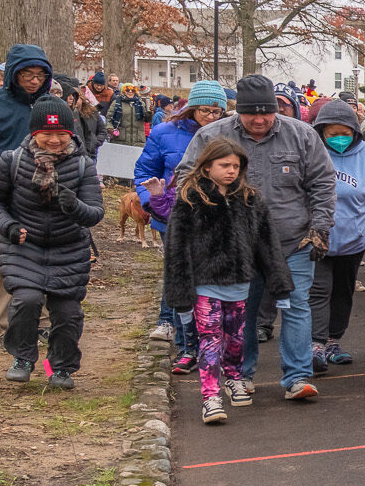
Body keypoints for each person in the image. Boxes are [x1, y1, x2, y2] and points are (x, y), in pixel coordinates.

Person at [176, 74, 336, 402]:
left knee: (296, 305)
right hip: (238, 246)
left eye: (267, 112)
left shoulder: (301, 135)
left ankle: (297, 377)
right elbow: (185, 179)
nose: (260, 120)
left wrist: (320, 227)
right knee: (241, 312)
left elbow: (323, 182)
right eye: (252, 114)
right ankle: (241, 375)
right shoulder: (212, 136)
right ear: (239, 111)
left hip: (292, 241)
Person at [157, 140, 292, 424]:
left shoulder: (250, 199)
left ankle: (234, 377)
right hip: (204, 285)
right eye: (224, 165)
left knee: (236, 338)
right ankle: (210, 397)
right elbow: (177, 249)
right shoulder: (190, 199)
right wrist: (180, 296)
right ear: (207, 166)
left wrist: (279, 284)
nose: (231, 171)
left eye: (236, 166)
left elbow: (267, 244)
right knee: (210, 340)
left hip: (240, 284)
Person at [0, 97, 103, 389]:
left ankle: (59, 367)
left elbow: (95, 213)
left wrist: (74, 205)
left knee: (68, 312)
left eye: (61, 134)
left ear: (71, 133)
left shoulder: (83, 165)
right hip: (23, 246)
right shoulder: (11, 161)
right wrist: (8, 226)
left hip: (69, 249)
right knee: (26, 301)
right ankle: (22, 357)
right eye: (46, 134)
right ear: (34, 133)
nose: (54, 140)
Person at [135, 80, 228, 367]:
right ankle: (186, 345)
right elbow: (144, 170)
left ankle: (213, 343)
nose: (210, 117)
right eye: (205, 110)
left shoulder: (227, 133)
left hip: (216, 219)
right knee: (181, 279)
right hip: (173, 215)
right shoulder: (165, 132)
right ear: (191, 108)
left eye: (217, 111)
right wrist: (152, 202)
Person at [305, 98, 365, 371]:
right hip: (317, 239)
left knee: (343, 292)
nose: (339, 138)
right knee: (319, 291)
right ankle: (316, 345)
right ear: (321, 132)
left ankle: (333, 341)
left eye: (345, 133)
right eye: (332, 133)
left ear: (354, 131)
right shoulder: (312, 153)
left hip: (353, 241)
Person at [0, 45, 53, 339]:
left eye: (40, 75)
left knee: (43, 263)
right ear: (14, 73)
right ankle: (8, 329)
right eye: (27, 74)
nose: (34, 81)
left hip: (42, 202)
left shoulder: (49, 106)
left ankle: (43, 323)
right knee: (1, 266)